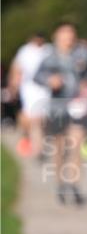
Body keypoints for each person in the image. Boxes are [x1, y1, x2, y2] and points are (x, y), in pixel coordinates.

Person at [34, 23, 87, 205]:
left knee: (76, 145)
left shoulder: (82, 53)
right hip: (57, 108)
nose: (68, 38)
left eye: (71, 34)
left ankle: (75, 186)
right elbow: (37, 76)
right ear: (56, 36)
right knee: (59, 148)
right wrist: (50, 80)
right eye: (64, 34)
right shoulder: (50, 56)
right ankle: (61, 184)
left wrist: (86, 84)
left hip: (77, 106)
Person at [9, 31, 50, 159]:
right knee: (33, 118)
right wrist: (14, 85)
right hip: (29, 88)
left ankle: (37, 143)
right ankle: (36, 147)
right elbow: (17, 68)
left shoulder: (48, 50)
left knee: (42, 119)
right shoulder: (25, 51)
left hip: (44, 88)